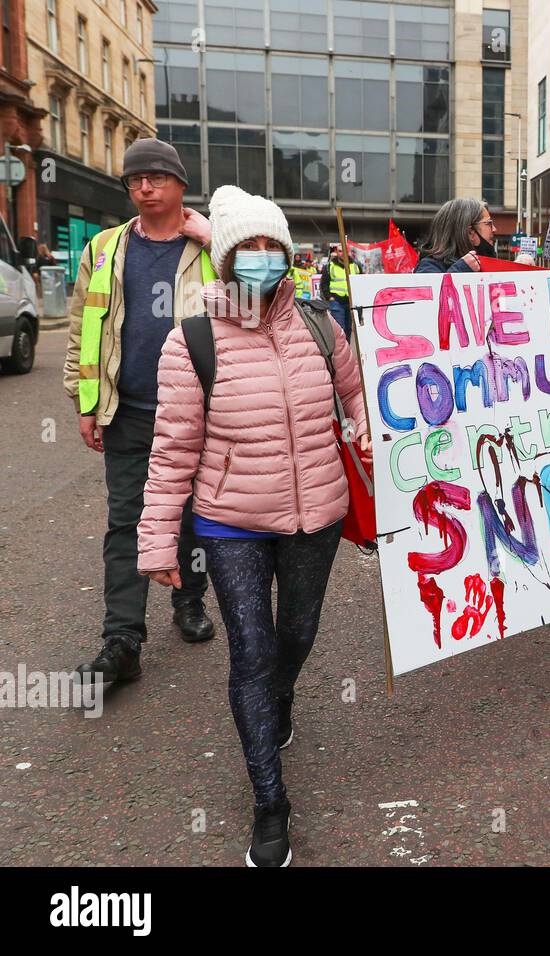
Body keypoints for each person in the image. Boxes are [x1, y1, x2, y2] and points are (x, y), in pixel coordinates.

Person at [137, 185, 372, 866]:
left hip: (316, 516)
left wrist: (377, 452)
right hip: (230, 523)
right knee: (251, 650)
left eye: (275, 247)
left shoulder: (324, 328)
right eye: (250, 248)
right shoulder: (194, 341)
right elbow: (173, 447)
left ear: (289, 256)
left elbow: (357, 405)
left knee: (296, 634)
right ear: (228, 257)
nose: (263, 259)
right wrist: (157, 540)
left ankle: (282, 697)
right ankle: (271, 802)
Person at [66, 138, 217, 689]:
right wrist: (84, 402)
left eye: (155, 177)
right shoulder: (105, 248)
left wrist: (213, 237)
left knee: (191, 514)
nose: (144, 187)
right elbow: (85, 326)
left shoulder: (208, 250)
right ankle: (122, 639)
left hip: (195, 410)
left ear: (180, 183)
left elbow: (255, 300)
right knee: (126, 520)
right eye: (134, 179)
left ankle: (189, 600)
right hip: (126, 410)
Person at [415, 198, 496, 275]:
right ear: (470, 232)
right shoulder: (428, 267)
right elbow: (434, 289)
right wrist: (460, 270)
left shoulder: (486, 263)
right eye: (489, 223)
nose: (494, 229)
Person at [322, 243, 360, 339]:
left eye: (344, 250)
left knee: (348, 328)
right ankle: (340, 352)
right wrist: (329, 297)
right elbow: (324, 283)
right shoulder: (330, 266)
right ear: (336, 252)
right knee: (339, 329)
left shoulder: (355, 266)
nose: (342, 253)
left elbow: (361, 282)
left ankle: (346, 350)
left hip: (351, 301)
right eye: (339, 251)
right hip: (336, 301)